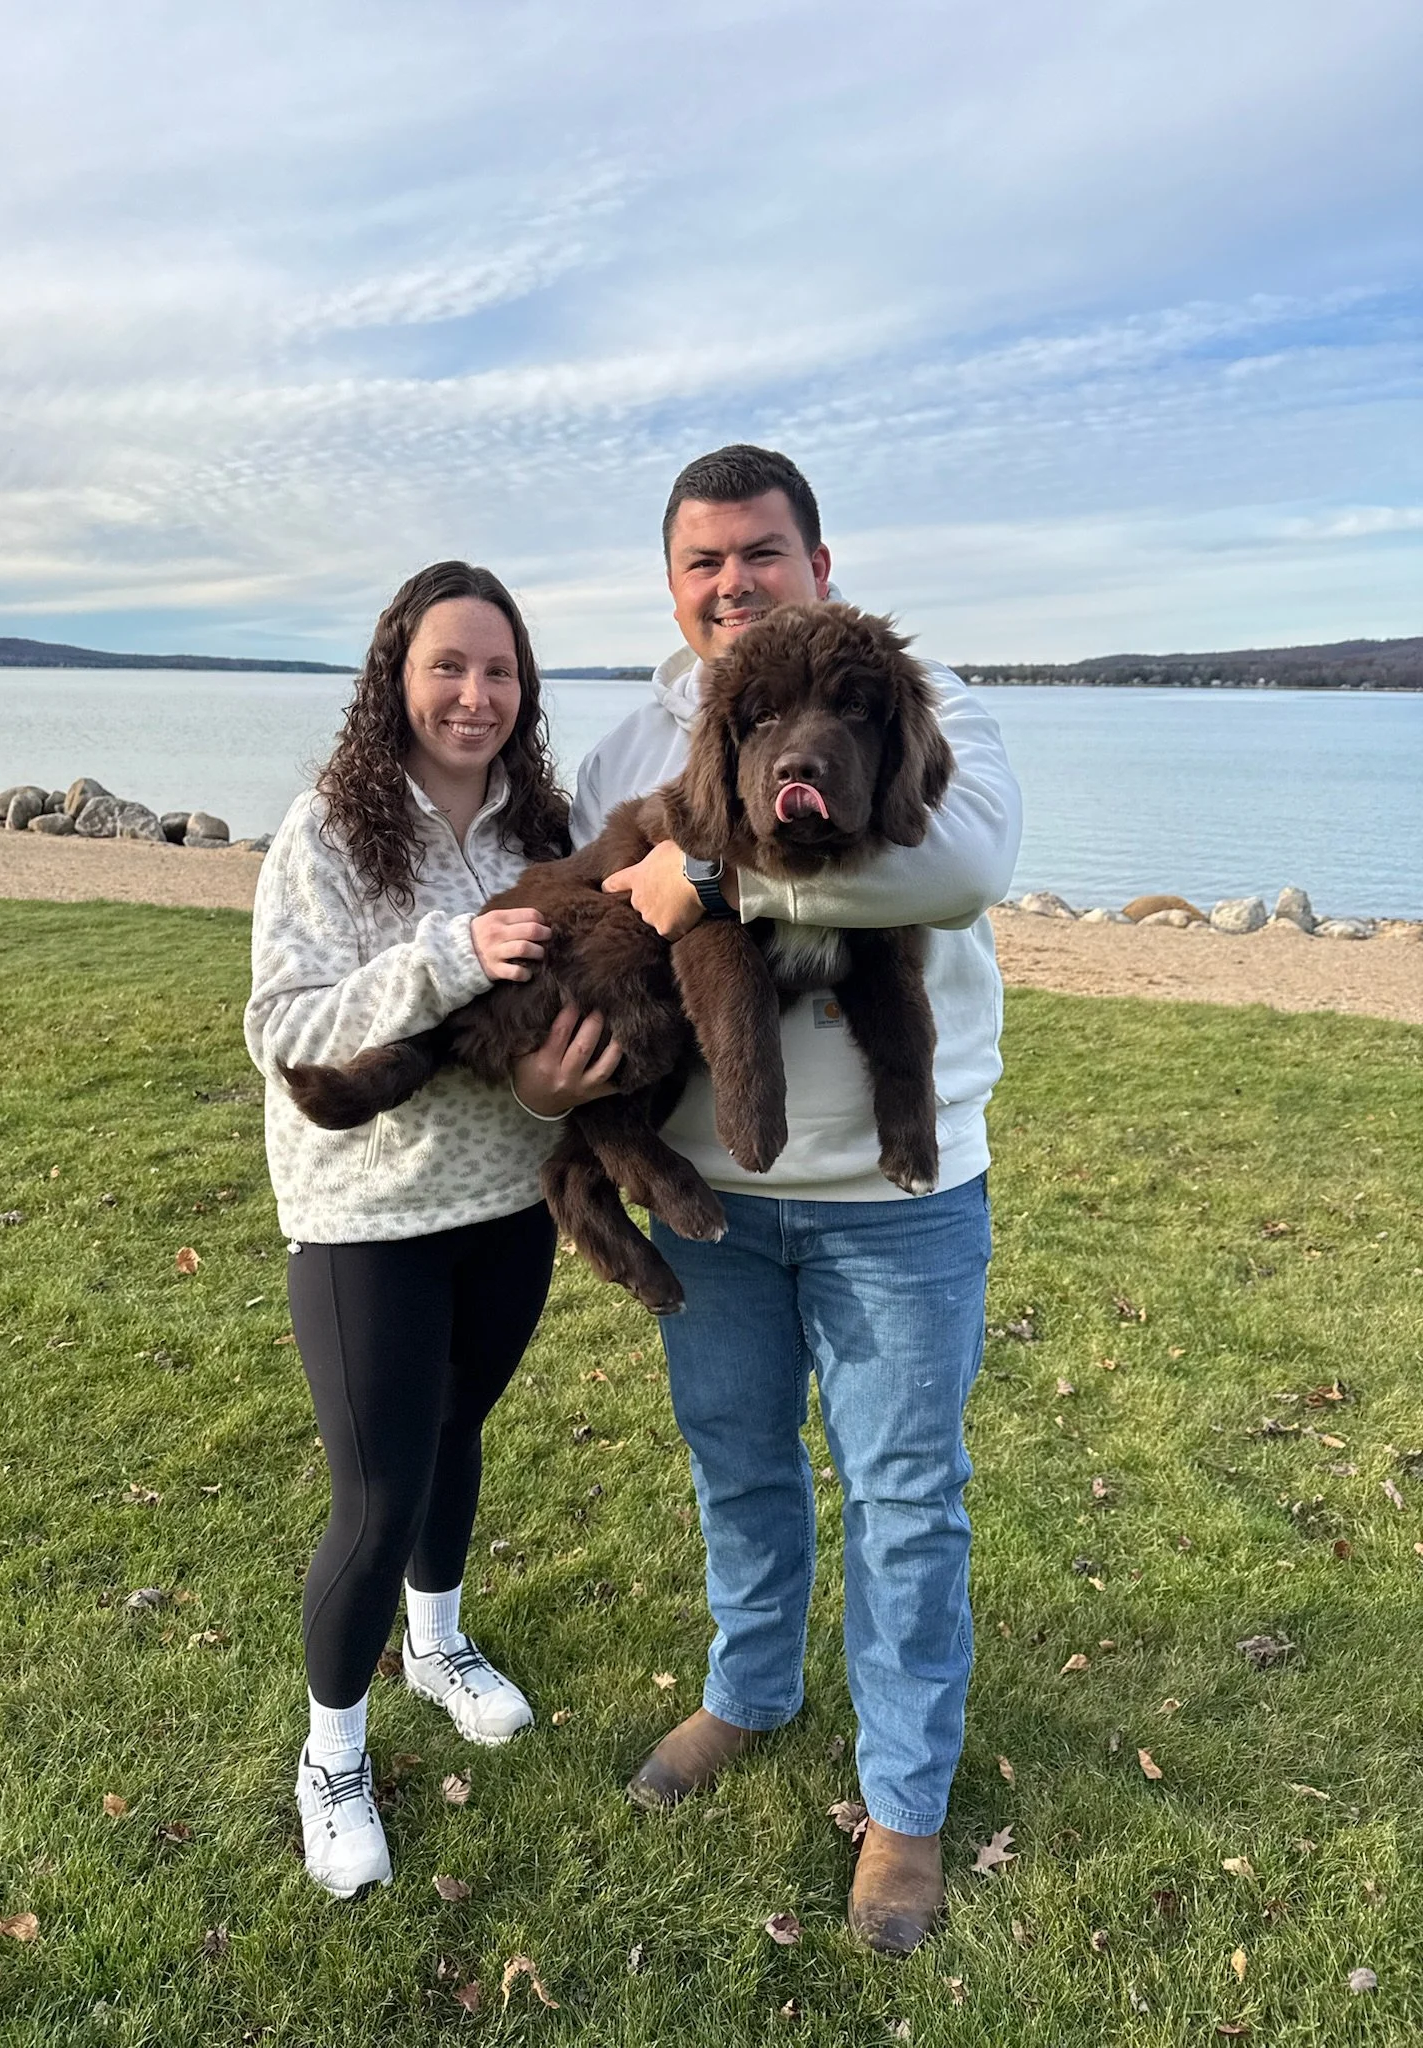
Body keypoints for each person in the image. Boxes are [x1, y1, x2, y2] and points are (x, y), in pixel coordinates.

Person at [573, 445, 1022, 1955]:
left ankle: (904, 1807)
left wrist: (716, 885)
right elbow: (598, 916)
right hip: (718, 1189)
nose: (732, 584)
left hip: (899, 1201)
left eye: (760, 553)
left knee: (904, 1499)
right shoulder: (639, 725)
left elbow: (958, 866)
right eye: (703, 562)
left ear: (817, 565)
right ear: (675, 583)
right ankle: (748, 1694)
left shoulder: (917, 688)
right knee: (738, 1460)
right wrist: (548, 1071)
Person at [245, 561, 621, 1899]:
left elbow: (582, 985)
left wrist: (571, 1076)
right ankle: (331, 1758)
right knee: (377, 1493)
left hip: (506, 1200)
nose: (475, 694)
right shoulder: (331, 834)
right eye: (448, 666)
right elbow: (285, 1030)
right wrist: (453, 953)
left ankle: (438, 1646)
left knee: (458, 1435)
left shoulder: (546, 826)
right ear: (395, 677)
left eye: (500, 671)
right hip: (366, 1218)